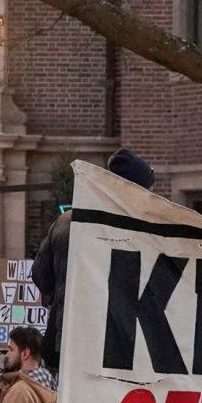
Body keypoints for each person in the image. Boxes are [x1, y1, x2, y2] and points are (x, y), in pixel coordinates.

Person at [32, 146, 154, 352]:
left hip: (71, 336)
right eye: (148, 190)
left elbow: (40, 274)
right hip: (121, 342)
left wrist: (60, 296)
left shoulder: (66, 222)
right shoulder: (144, 228)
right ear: (135, 190)